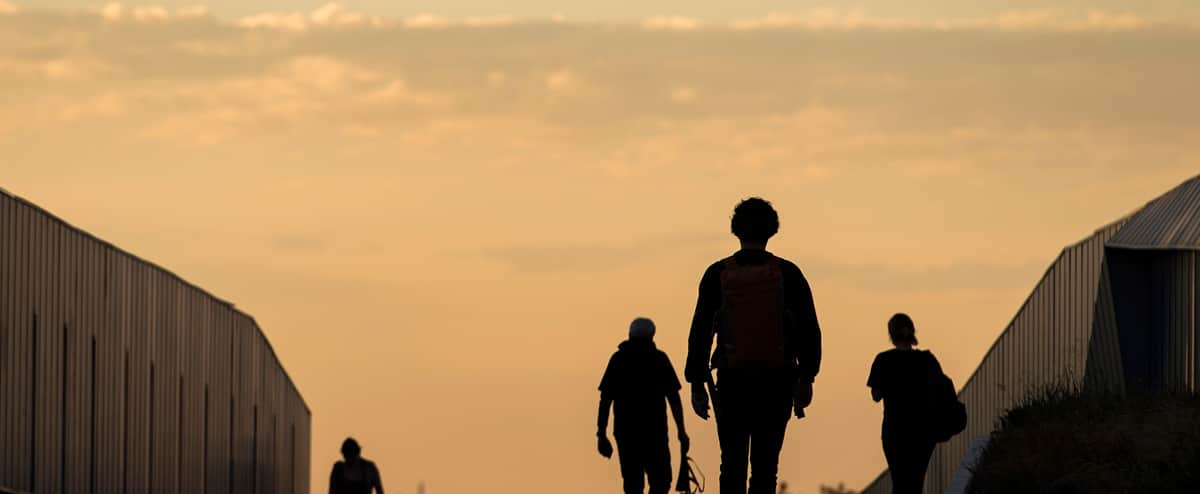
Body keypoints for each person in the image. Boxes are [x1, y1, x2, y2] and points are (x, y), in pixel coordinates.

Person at [685, 198, 823, 494]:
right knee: (766, 467)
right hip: (777, 380)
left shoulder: (717, 274)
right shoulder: (789, 274)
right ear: (773, 230)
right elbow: (808, 329)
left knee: (731, 464)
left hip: (733, 380)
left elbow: (700, 331)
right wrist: (807, 377)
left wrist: (696, 382)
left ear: (736, 230)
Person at [597, 317, 691, 494]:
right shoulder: (659, 360)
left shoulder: (618, 360)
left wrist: (601, 433)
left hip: (627, 434)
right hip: (654, 434)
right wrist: (681, 432)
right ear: (652, 336)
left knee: (633, 484)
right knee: (661, 481)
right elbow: (674, 399)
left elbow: (605, 399)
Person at [867, 313, 940, 494]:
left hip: (894, 431)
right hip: (923, 431)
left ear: (891, 335)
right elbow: (939, 391)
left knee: (899, 481)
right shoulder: (927, 361)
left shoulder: (883, 360)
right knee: (916, 482)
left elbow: (876, 395)